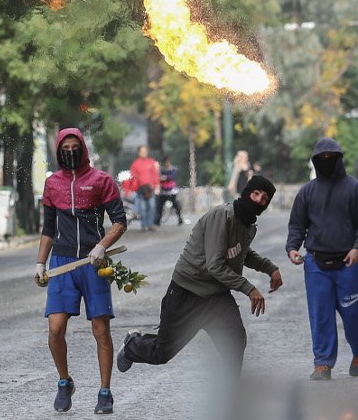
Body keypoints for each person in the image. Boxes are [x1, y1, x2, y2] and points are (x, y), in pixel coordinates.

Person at [116, 176, 282, 378]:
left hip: (217, 297)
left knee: (235, 343)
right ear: (246, 193)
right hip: (187, 292)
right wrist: (249, 289)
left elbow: (241, 253)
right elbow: (215, 265)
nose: (258, 200)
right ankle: (132, 345)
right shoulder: (223, 216)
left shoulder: (247, 226)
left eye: (264, 199)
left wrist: (270, 268)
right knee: (161, 352)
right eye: (255, 194)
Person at [35, 128, 127, 414]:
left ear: (83, 148)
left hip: (93, 263)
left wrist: (101, 246)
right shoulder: (52, 184)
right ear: (58, 151)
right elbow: (48, 228)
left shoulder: (102, 181)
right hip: (62, 263)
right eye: (65, 148)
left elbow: (120, 222)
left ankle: (105, 391)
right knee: (55, 328)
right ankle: (64, 382)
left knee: (100, 329)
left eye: (75, 147)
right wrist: (40, 263)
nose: (70, 152)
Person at [286, 138, 358, 380]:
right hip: (316, 263)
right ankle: (323, 363)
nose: (327, 161)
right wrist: (292, 247)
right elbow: (297, 225)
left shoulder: (356, 189)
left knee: (353, 313)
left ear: (339, 159)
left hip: (348, 262)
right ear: (315, 161)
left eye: (331, 158)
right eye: (322, 158)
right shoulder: (307, 192)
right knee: (321, 314)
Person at [129, 146, 159, 231]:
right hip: (141, 190)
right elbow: (133, 177)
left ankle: (151, 225)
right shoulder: (135, 164)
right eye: (142, 151)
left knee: (152, 207)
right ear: (139, 153)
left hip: (151, 189)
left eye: (145, 151)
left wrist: (157, 185)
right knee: (143, 208)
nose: (144, 153)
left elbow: (155, 174)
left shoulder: (151, 162)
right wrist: (135, 187)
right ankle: (143, 225)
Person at [155, 156, 183, 226]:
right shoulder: (161, 170)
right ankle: (158, 220)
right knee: (160, 205)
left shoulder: (173, 169)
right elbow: (158, 178)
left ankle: (180, 218)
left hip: (171, 190)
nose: (166, 164)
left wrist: (165, 177)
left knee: (175, 204)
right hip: (164, 190)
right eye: (165, 162)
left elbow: (172, 177)